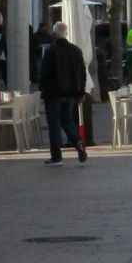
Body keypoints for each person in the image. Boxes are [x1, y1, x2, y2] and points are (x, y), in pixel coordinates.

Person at [38, 21, 88, 166]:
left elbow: (44, 73)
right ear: (66, 33)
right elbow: (82, 73)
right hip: (71, 93)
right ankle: (78, 141)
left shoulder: (51, 51)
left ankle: (56, 156)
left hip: (53, 94)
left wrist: (43, 89)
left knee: (54, 124)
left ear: (54, 34)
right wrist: (81, 92)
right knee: (67, 121)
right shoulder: (76, 50)